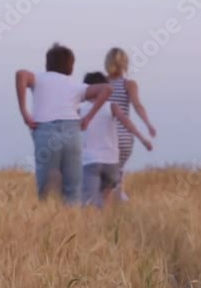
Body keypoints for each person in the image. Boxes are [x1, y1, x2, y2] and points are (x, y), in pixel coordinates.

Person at [15, 43, 112, 205]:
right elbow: (107, 89)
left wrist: (24, 112)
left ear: (47, 64)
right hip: (72, 133)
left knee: (46, 191)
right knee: (72, 190)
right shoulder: (76, 86)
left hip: (45, 131)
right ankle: (71, 226)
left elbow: (20, 74)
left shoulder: (39, 79)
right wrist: (88, 117)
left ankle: (48, 225)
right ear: (71, 67)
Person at [79, 72, 153, 208]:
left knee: (88, 204)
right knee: (105, 202)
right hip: (111, 163)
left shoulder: (80, 110)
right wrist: (142, 139)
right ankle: (105, 225)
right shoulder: (112, 106)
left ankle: (92, 226)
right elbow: (126, 122)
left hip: (90, 162)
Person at [104, 48, 157, 200]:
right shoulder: (129, 84)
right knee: (117, 173)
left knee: (105, 176)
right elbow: (137, 105)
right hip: (126, 137)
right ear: (125, 64)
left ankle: (111, 204)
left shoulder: (101, 83)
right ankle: (119, 202)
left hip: (106, 135)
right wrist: (148, 124)